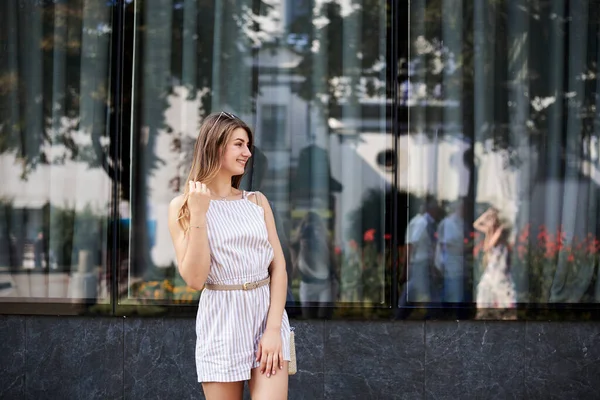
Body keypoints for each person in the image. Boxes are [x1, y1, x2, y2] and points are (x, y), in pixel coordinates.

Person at [167, 111, 291, 400]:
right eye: (239, 144)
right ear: (215, 146)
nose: (247, 152)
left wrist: (273, 329)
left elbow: (279, 268)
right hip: (221, 319)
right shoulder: (182, 207)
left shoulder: (256, 201)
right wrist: (199, 213)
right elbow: (195, 279)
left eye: (247, 145)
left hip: (265, 315)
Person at [473, 207, 516, 319]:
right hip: (491, 272)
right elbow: (476, 224)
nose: (488, 221)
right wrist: (487, 213)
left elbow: (488, 246)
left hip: (499, 273)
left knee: (504, 302)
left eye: (491, 218)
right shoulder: (490, 231)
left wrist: (491, 228)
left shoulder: (500, 232)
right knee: (485, 300)